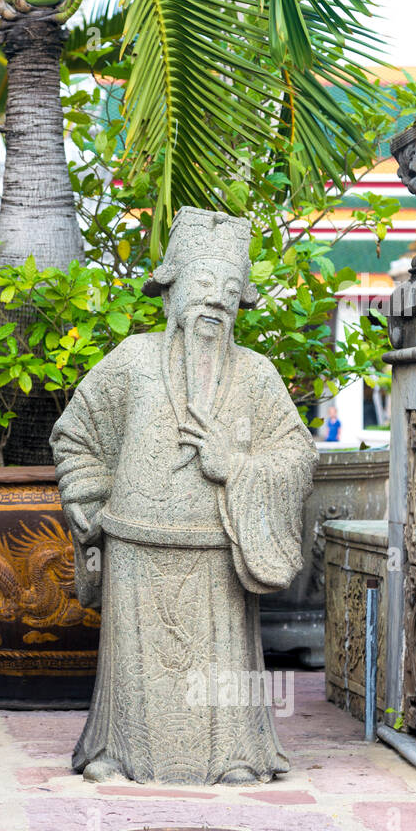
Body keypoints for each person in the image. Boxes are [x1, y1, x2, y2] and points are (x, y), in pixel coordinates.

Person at [50, 207, 317, 785]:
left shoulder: (257, 375)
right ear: (170, 291)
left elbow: (298, 456)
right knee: (135, 667)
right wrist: (87, 490)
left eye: (227, 291)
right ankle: (115, 751)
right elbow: (77, 432)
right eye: (200, 285)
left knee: (219, 670)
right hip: (135, 544)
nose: (214, 302)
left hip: (216, 550)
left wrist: (237, 466)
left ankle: (234, 756)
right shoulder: (132, 362)